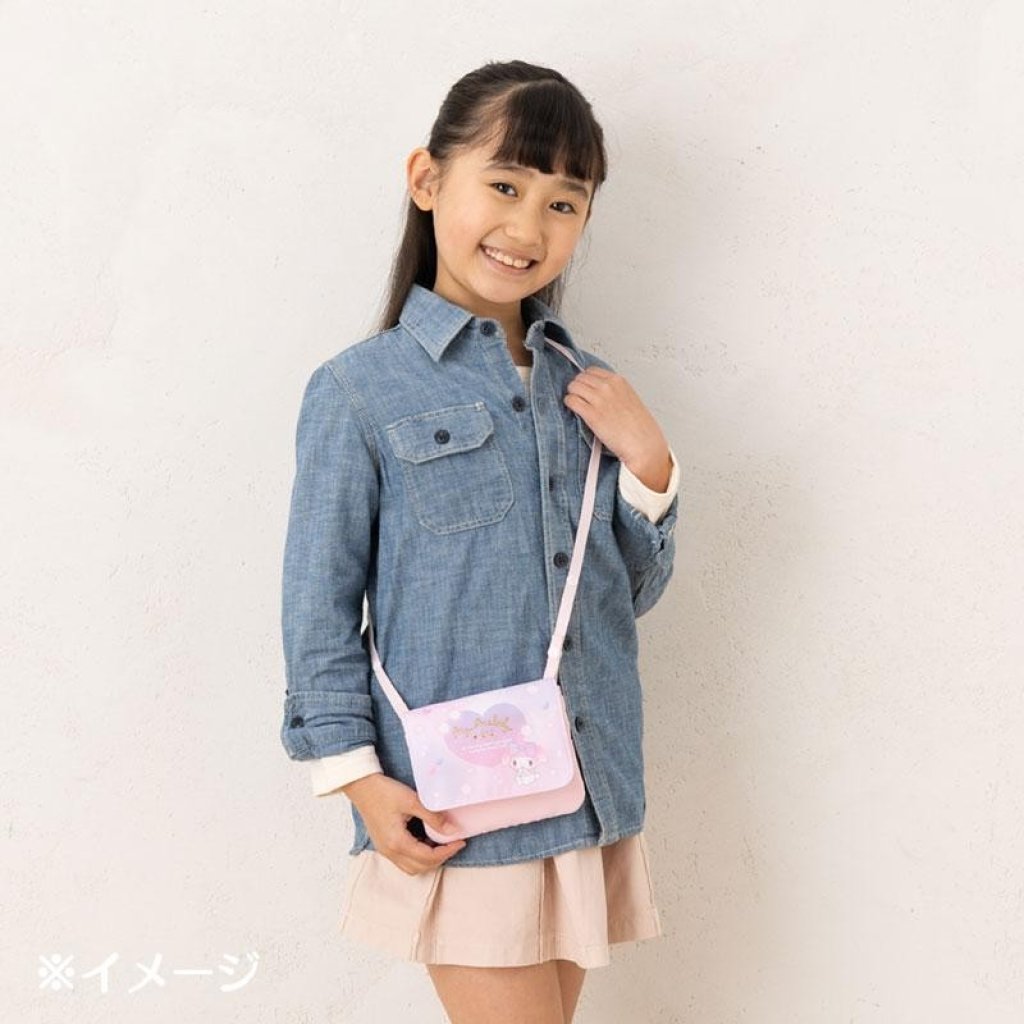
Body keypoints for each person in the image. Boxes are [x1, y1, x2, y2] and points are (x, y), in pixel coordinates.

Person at [280, 59, 681, 1024]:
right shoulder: (358, 390)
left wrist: (650, 465)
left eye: (563, 203)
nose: (528, 228)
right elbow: (317, 606)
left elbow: (621, 597)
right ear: (428, 180)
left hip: (582, 781)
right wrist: (356, 780)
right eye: (504, 186)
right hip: (455, 799)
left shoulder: (587, 385)